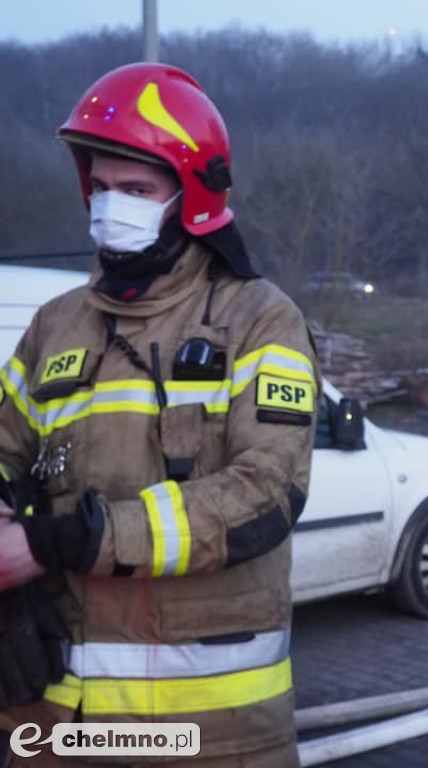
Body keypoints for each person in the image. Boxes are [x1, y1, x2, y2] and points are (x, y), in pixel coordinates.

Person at [0, 63, 319, 766]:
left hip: (210, 735)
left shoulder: (260, 320)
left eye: (137, 190)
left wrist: (58, 542)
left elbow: (264, 492)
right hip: (53, 724)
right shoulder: (55, 325)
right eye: (103, 187)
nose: (113, 206)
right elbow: (6, 445)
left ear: (192, 196)